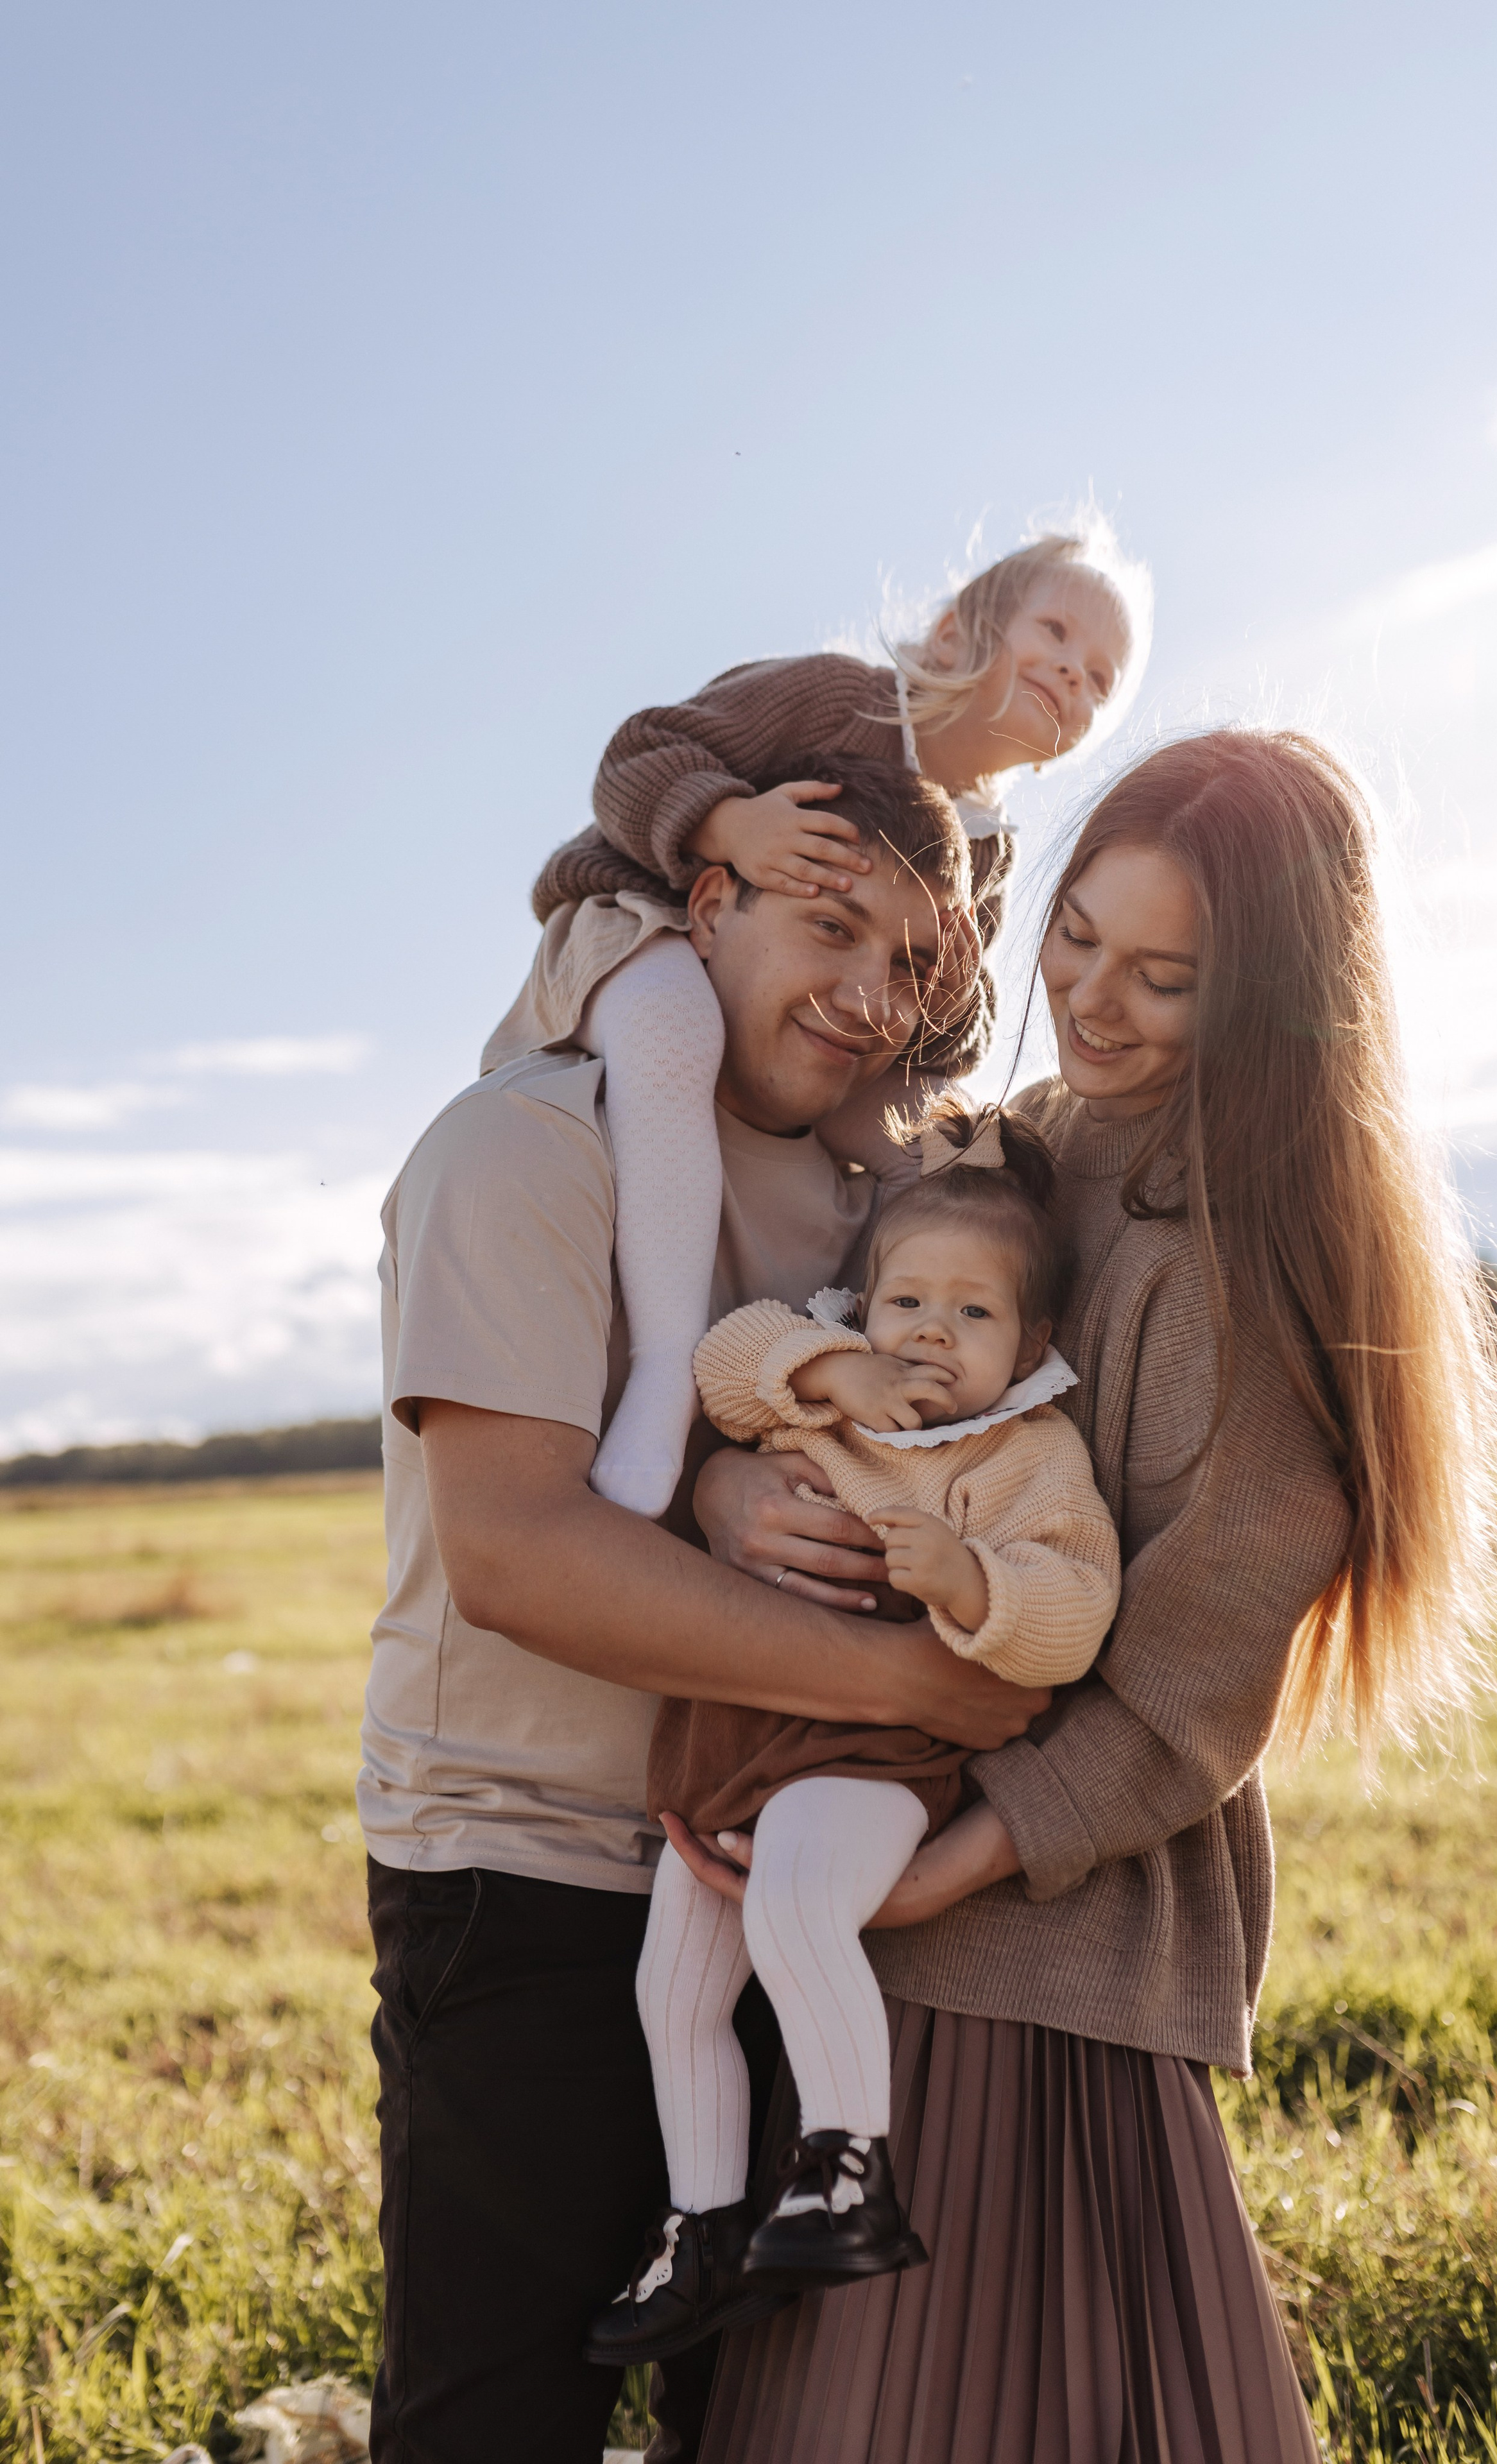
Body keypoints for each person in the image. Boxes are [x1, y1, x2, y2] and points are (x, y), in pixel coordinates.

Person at [677, 728, 1497, 2462]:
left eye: (1166, 978)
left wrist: (953, 1862)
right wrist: (735, 1483)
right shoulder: (1016, 1152)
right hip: (877, 1856)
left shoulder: (1237, 1260)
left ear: (1273, 1001)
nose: (1094, 1001)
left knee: (972, 2401)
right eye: (1075, 938)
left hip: (1049, 1946)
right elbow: (843, 1371)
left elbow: (1198, 1683)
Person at [355, 758, 1054, 2464]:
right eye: (832, 925)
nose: (869, 996)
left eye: (912, 960)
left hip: (768, 1850)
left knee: (761, 2427)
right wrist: (914, 1685)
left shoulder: (867, 1200)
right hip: (525, 1880)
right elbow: (519, 1556)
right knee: (500, 2414)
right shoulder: (519, 1149)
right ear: (709, 908)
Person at [583, 1102, 1120, 2372]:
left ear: (1031, 1341)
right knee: (672, 1991)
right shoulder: (821, 1392)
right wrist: (832, 1373)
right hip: (732, 1744)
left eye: (975, 1313)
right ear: (860, 1303)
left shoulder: (1020, 1453)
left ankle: (845, 2172)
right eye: (905, 1304)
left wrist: (970, 1578)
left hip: (870, 1757)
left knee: (792, 1915)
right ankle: (704, 2225)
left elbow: (1076, 1613)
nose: (931, 1333)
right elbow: (723, 1362)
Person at [484, 522, 1152, 1518]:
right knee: (675, 1027)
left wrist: (955, 985)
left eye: (1102, 677)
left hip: (811, 1022)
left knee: (935, 1158)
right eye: (1054, 631)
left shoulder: (991, 857)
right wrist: (731, 825)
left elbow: (928, 1040)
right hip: (652, 920)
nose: (1073, 673)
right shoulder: (840, 703)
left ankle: (884, 1397)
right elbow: (638, 757)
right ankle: (670, 1369)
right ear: (952, 629)